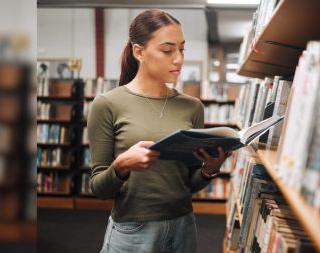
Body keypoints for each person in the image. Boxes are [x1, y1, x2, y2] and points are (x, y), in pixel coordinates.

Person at [88, 9, 230, 253]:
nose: (178, 59)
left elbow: (188, 183)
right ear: (139, 52)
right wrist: (121, 166)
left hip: (183, 227)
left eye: (182, 49)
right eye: (167, 50)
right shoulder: (107, 104)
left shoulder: (192, 106)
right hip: (133, 231)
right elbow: (99, 187)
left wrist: (209, 169)